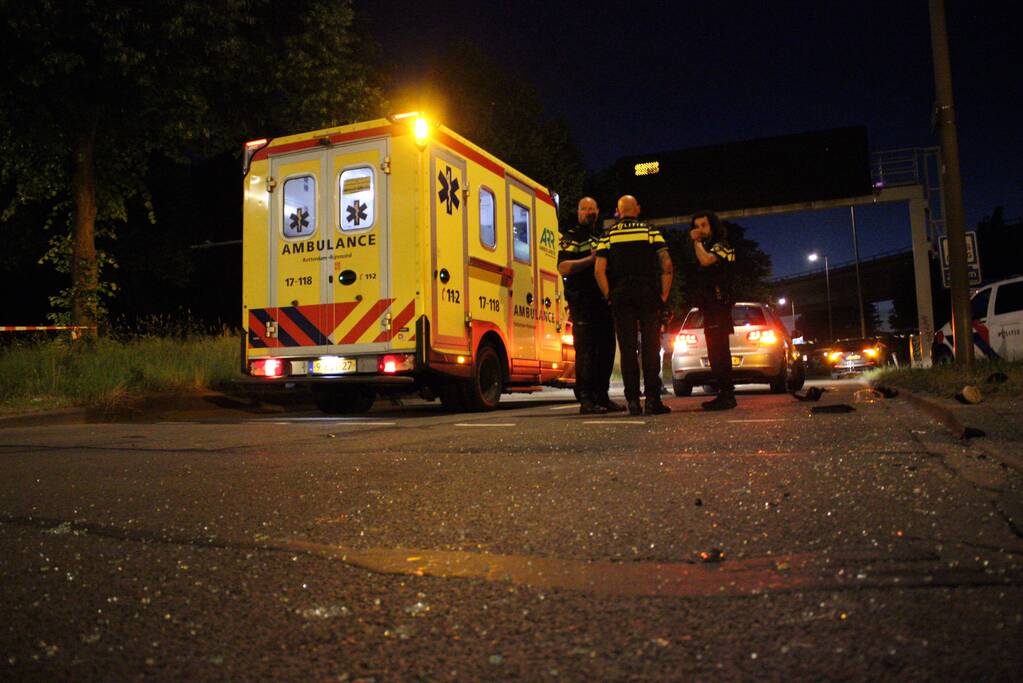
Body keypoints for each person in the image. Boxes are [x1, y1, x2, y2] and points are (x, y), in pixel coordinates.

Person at [594, 195, 673, 415]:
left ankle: (633, 402)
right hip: (648, 294)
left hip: (621, 294)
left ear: (618, 211)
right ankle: (653, 400)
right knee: (650, 347)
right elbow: (667, 264)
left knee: (628, 349)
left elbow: (599, 270)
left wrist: (609, 295)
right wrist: (663, 295)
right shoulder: (650, 231)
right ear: (637, 209)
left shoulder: (608, 235)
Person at [558, 197, 623, 414]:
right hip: (583, 302)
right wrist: (591, 260)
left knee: (606, 351)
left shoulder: (601, 236)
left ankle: (602, 397)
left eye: (591, 208)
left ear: (598, 211)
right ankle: (586, 400)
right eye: (584, 209)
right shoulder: (573, 236)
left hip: (602, 302)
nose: (588, 212)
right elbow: (563, 267)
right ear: (578, 213)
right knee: (586, 352)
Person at [690, 210, 737, 410]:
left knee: (719, 350)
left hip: (719, 304)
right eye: (696, 226)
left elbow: (707, 260)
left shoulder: (722, 245)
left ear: (713, 226)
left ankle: (727, 395)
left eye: (704, 225)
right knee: (714, 350)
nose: (700, 229)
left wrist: (696, 242)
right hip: (710, 305)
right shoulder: (708, 245)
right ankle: (724, 394)